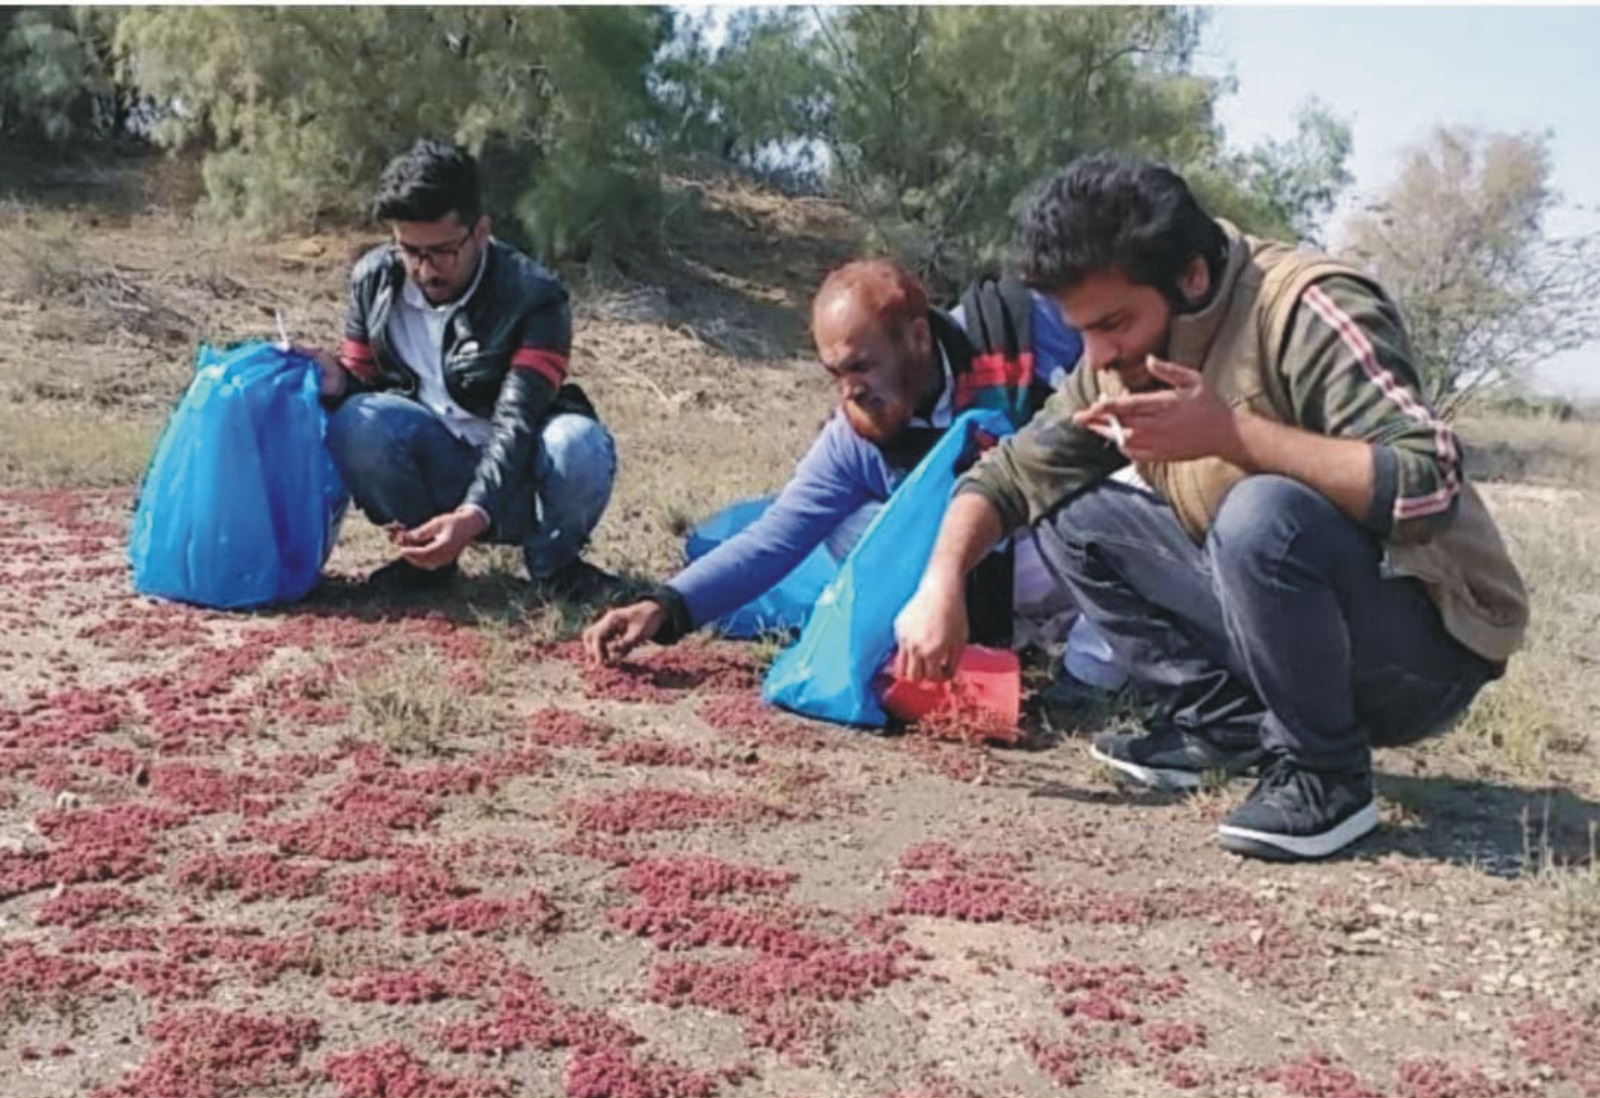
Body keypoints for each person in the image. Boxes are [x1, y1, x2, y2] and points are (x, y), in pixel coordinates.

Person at [893, 155, 1528, 862]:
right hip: (1287, 622)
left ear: (1192, 276)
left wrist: (1233, 434)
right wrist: (941, 579)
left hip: (1422, 649)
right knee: (1074, 513)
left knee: (1262, 513)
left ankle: (1327, 775)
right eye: (1082, 333)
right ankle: (1219, 726)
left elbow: (1429, 483)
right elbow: (1013, 475)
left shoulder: (1307, 307)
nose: (1098, 354)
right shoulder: (1117, 357)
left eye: (1115, 324)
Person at [582, 258, 1128, 693]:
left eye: (861, 366)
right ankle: (998, 635)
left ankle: (1094, 667)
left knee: (1105, 500)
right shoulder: (855, 437)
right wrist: (664, 607)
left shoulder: (1021, 330)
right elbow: (775, 537)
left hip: (1063, 538)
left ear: (916, 338)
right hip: (967, 576)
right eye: (835, 374)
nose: (849, 391)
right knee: (850, 529)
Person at [303, 140, 617, 597]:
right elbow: (364, 384)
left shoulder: (535, 295)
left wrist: (473, 515)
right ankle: (426, 561)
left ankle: (556, 569)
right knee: (357, 420)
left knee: (578, 444)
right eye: (409, 250)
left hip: (520, 476)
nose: (425, 269)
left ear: (481, 231)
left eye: (443, 251)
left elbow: (518, 421)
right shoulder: (372, 281)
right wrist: (337, 380)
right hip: (438, 463)